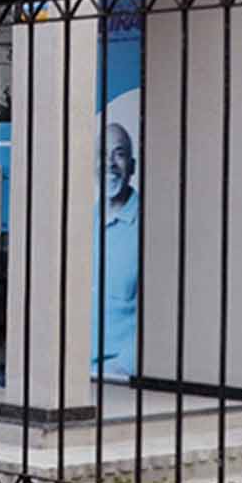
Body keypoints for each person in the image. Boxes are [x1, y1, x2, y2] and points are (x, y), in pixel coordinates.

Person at [94, 120, 140, 379]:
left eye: (119, 154)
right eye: (103, 155)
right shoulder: (81, 223)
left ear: (132, 166)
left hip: (119, 377)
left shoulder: (149, 226)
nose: (110, 163)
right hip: (73, 374)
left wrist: (125, 366)